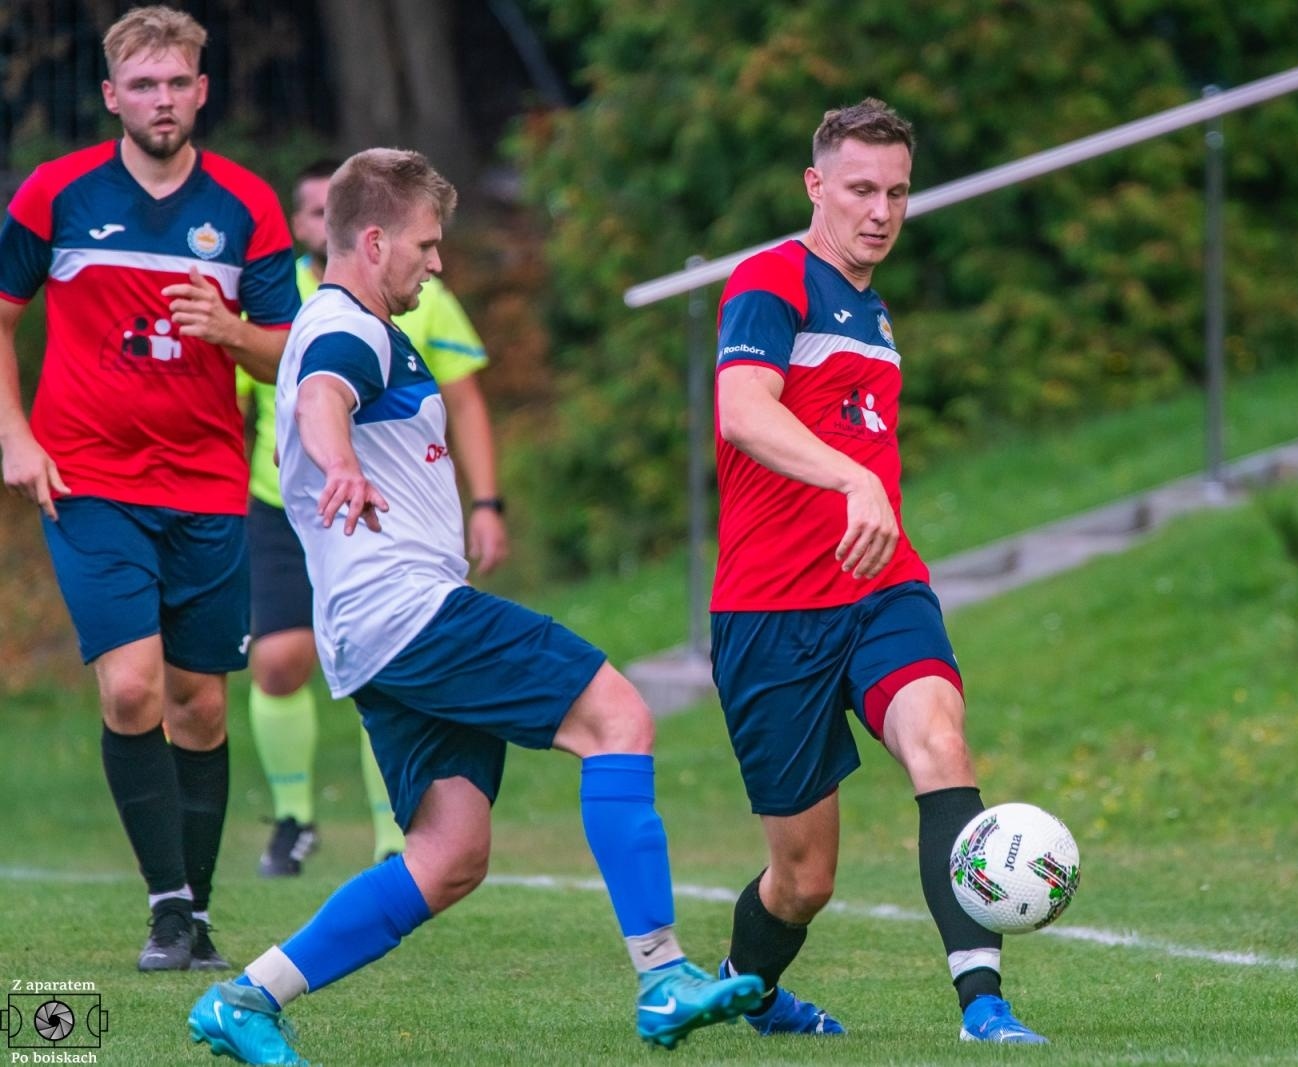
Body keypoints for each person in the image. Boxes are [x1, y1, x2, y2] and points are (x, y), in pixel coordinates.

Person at [186, 148, 763, 1064]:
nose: (439, 261)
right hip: (411, 612)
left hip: (375, 632)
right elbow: (325, 394)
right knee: (619, 718)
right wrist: (336, 457)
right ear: (373, 242)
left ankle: (246, 996)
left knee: (450, 852)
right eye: (426, 243)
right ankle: (663, 974)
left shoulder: (348, 320)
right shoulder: (349, 328)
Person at [708, 98, 1048, 1044]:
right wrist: (855, 474)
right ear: (816, 185)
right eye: (861, 189)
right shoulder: (771, 280)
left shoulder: (874, 308)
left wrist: (868, 500)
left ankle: (984, 1004)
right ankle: (746, 983)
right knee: (804, 879)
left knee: (941, 740)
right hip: (771, 611)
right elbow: (742, 409)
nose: (882, 211)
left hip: (881, 587)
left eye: (898, 192)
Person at [0, 5, 298, 972]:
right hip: (89, 479)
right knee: (131, 688)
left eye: (177, 83)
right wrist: (13, 437)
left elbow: (284, 353)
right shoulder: (55, 194)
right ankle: (169, 910)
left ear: (201, 90)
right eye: (144, 85)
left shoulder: (248, 204)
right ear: (111, 97)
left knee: (199, 705)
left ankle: (197, 913)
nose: (162, 100)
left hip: (210, 484)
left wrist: (231, 330)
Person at [241, 159, 510, 877]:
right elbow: (312, 388)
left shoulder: (417, 293)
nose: (435, 260)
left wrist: (486, 500)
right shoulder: (284, 298)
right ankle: (293, 818)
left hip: (368, 507)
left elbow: (466, 399)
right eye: (301, 210)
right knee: (280, 660)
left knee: (383, 661)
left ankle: (395, 832)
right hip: (288, 502)